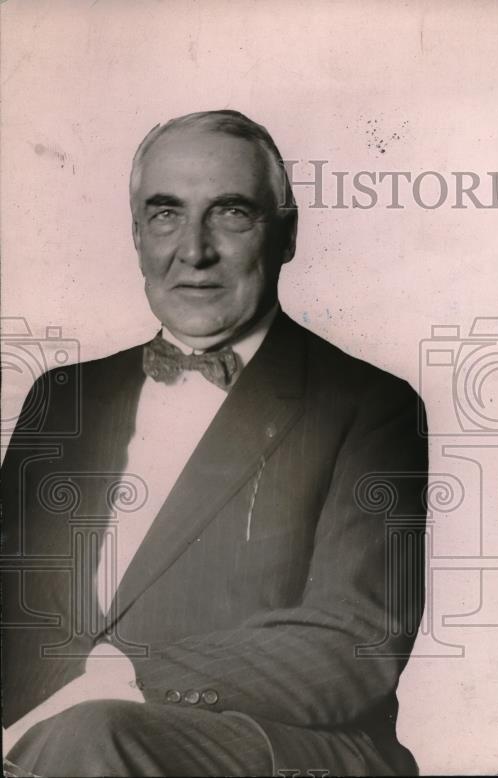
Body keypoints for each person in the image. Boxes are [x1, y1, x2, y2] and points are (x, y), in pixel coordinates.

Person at [1, 110, 427, 776]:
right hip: (55, 740)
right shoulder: (63, 400)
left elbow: (355, 641)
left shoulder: (370, 406)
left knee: (93, 735)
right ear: (138, 235)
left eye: (230, 214)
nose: (193, 251)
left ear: (286, 236)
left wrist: (123, 680)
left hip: (277, 746)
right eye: (166, 215)